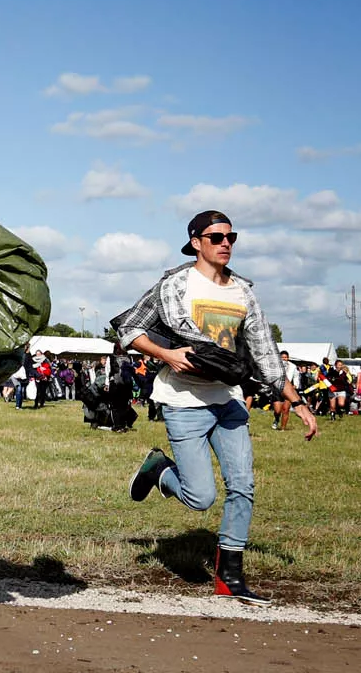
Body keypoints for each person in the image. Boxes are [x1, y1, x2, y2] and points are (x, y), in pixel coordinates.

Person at [117, 209, 317, 606]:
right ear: (196, 243)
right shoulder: (174, 285)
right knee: (200, 497)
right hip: (184, 402)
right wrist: (165, 353)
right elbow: (128, 328)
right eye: (216, 237)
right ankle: (159, 469)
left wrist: (297, 402)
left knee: (242, 486)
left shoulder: (243, 292)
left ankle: (230, 577)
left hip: (227, 401)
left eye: (231, 237)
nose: (225, 243)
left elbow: (264, 351)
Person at [270, 350, 301, 430]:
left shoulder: (293, 366)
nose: (284, 359)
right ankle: (277, 419)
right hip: (277, 389)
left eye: (286, 357)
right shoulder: (275, 365)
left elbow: (296, 377)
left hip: (288, 389)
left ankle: (283, 428)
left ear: (288, 358)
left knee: (286, 409)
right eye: (282, 357)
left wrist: (295, 385)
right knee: (277, 410)